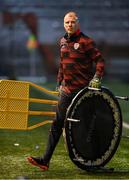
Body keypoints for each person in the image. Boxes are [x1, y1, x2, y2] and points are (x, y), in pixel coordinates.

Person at [27, 11, 105, 170]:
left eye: (72, 22)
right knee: (56, 124)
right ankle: (45, 160)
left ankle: (97, 160)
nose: (70, 24)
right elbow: (62, 64)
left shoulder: (86, 41)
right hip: (67, 91)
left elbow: (100, 61)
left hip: (83, 93)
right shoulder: (62, 41)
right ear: (64, 24)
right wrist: (59, 81)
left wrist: (97, 77)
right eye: (67, 22)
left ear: (78, 23)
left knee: (87, 126)